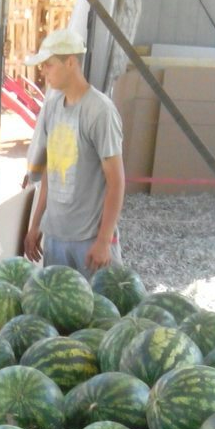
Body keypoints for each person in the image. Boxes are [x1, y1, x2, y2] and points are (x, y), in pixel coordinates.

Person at [22, 27, 125, 276]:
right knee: (56, 310)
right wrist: (35, 225)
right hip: (56, 236)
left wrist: (103, 241)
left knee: (99, 311)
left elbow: (116, 182)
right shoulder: (52, 108)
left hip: (89, 239)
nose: (43, 71)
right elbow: (51, 171)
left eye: (49, 65)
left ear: (70, 63)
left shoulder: (100, 111)